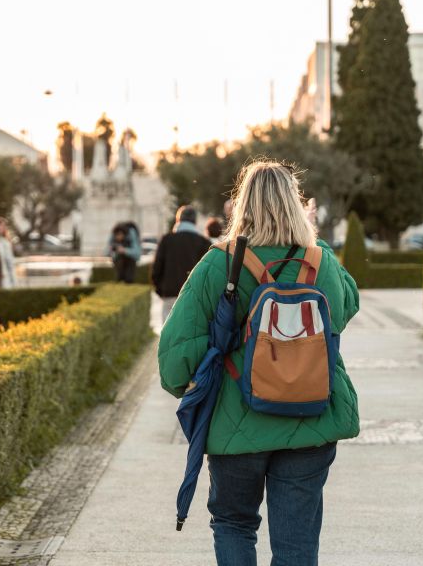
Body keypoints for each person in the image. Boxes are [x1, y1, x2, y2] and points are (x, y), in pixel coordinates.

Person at [158, 161, 359, 566]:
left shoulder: (219, 264)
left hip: (237, 421)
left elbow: (174, 357)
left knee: (234, 524)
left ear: (242, 205)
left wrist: (203, 386)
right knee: (297, 544)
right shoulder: (321, 262)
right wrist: (312, 238)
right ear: (296, 204)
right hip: (311, 419)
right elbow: (346, 307)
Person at [151, 206, 210, 323]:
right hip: (194, 296)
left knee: (168, 336)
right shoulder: (203, 242)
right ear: (195, 221)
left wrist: (161, 290)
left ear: (178, 220)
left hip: (169, 293)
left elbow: (156, 269)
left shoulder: (166, 240)